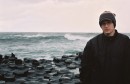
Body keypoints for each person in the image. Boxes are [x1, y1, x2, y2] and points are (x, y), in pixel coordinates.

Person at [80, 11, 130, 84]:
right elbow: (85, 68)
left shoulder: (125, 41)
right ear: (101, 26)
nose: (106, 26)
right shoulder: (92, 43)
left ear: (114, 24)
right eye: (103, 23)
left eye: (109, 23)